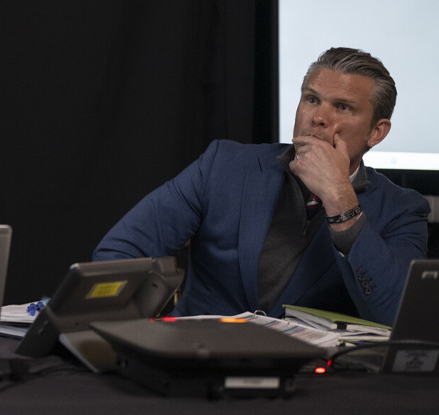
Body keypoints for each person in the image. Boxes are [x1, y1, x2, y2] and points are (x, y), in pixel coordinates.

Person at [93, 47, 429, 326]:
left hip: (311, 377)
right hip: (197, 360)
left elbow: (397, 316)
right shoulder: (223, 165)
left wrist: (340, 198)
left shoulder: (402, 210)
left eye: (342, 107)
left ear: (376, 132)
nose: (318, 117)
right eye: (312, 99)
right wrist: (141, 337)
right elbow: (118, 253)